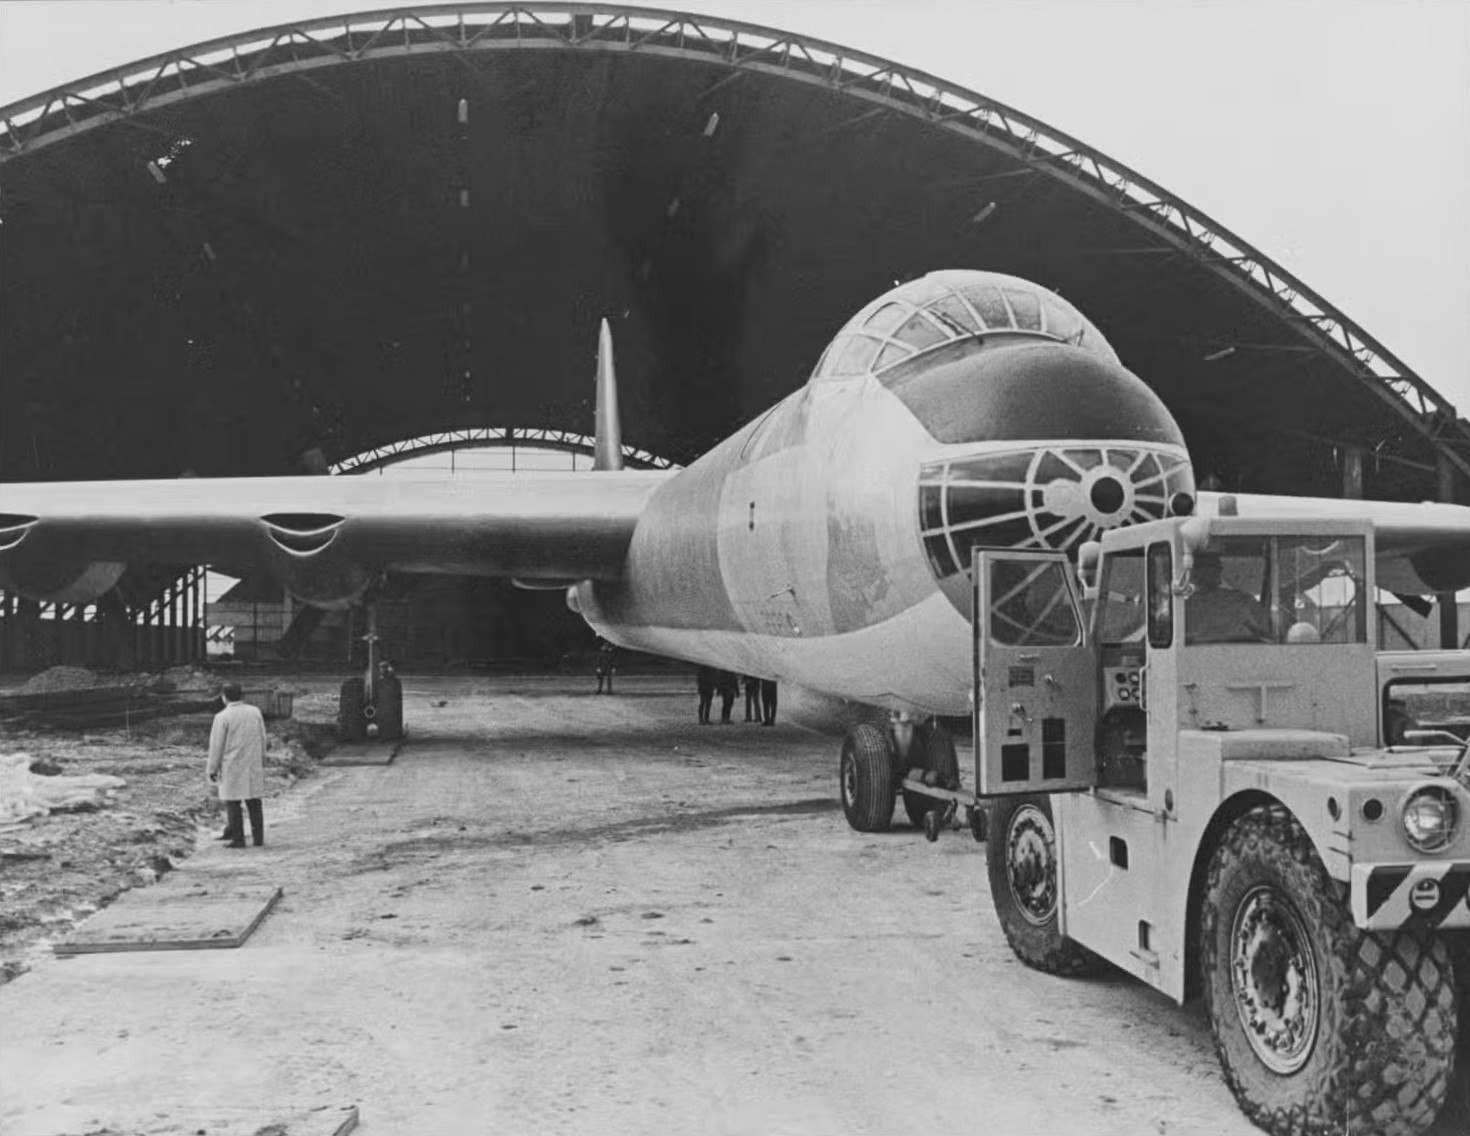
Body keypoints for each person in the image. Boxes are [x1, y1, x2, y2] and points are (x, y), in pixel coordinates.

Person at [209, 682, 268, 848]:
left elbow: (216, 746)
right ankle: (258, 839)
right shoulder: (254, 712)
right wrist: (262, 758)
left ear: (224, 697)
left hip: (231, 764)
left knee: (233, 801)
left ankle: (238, 839)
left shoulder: (222, 717)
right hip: (252, 762)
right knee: (254, 801)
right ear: (242, 695)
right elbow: (263, 737)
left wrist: (213, 768)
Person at [1186, 552, 1272, 644]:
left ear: (1193, 575)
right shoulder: (1243, 600)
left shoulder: (1184, 608)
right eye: (1216, 567)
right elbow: (1268, 632)